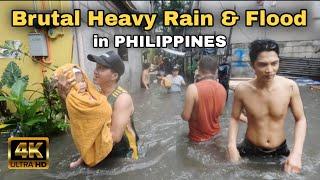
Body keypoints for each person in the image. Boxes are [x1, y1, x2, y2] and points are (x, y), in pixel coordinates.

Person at [227, 39, 307, 173]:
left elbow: (301, 119)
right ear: (252, 65)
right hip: (249, 149)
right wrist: (231, 147)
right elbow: (235, 118)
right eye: (262, 65)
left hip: (280, 151)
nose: (270, 70)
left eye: (274, 63)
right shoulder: (242, 90)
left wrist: (297, 153)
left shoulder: (290, 87)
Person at [57, 51, 139, 168]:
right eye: (96, 67)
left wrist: (84, 155)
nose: (95, 71)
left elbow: (115, 137)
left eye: (101, 68)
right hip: (101, 151)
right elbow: (78, 121)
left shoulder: (122, 99)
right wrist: (65, 97)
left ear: (114, 76)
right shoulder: (95, 95)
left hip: (123, 155)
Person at [181, 56, 227, 142]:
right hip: (216, 137)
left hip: (197, 140)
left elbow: (185, 117)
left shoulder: (192, 88)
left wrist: (182, 113)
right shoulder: (222, 89)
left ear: (199, 69)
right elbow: (221, 113)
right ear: (215, 71)